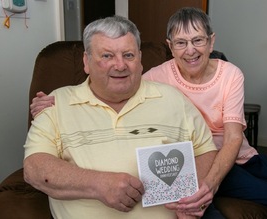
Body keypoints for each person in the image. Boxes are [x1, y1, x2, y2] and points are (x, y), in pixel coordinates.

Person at [30, 7, 267, 218]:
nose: (191, 50)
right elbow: (116, 82)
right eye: (181, 42)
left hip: (236, 156)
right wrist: (56, 99)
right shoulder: (155, 77)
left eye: (198, 40)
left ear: (211, 42)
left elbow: (232, 139)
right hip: (200, 162)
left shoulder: (228, 74)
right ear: (170, 46)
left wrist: (207, 186)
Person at [23, 15, 221, 219]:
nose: (120, 65)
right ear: (86, 61)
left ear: (140, 60)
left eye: (128, 55)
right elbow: (34, 168)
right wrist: (97, 185)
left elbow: (205, 151)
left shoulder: (173, 99)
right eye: (107, 56)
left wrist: (193, 197)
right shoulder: (57, 102)